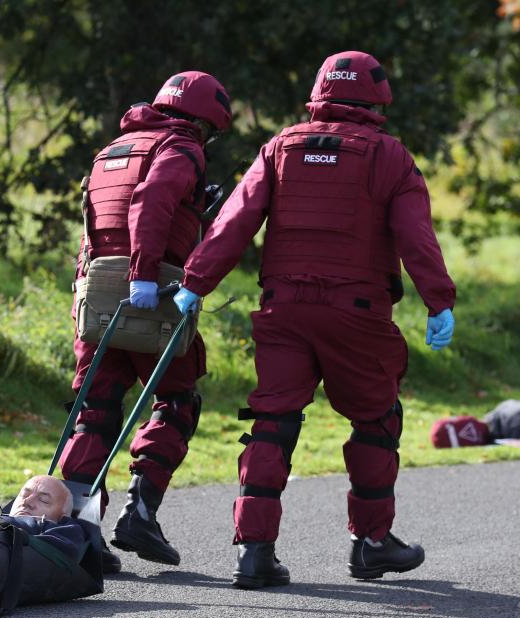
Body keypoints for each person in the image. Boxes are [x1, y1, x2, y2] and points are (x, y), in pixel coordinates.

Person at [173, 51, 457, 588]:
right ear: (378, 97)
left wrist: (194, 282)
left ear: (320, 92)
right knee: (376, 418)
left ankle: (254, 551)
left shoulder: (280, 147)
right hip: (357, 314)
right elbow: (416, 238)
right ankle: (371, 544)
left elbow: (234, 220)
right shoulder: (390, 157)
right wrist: (439, 301)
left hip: (283, 310)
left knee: (272, 420)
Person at [59, 71, 232, 569]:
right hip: (152, 291)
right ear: (203, 122)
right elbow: (152, 199)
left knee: (94, 411)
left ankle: (78, 535)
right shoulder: (181, 148)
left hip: (95, 294)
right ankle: (140, 512)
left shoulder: (113, 150)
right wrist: (143, 276)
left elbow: (103, 222)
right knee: (177, 401)